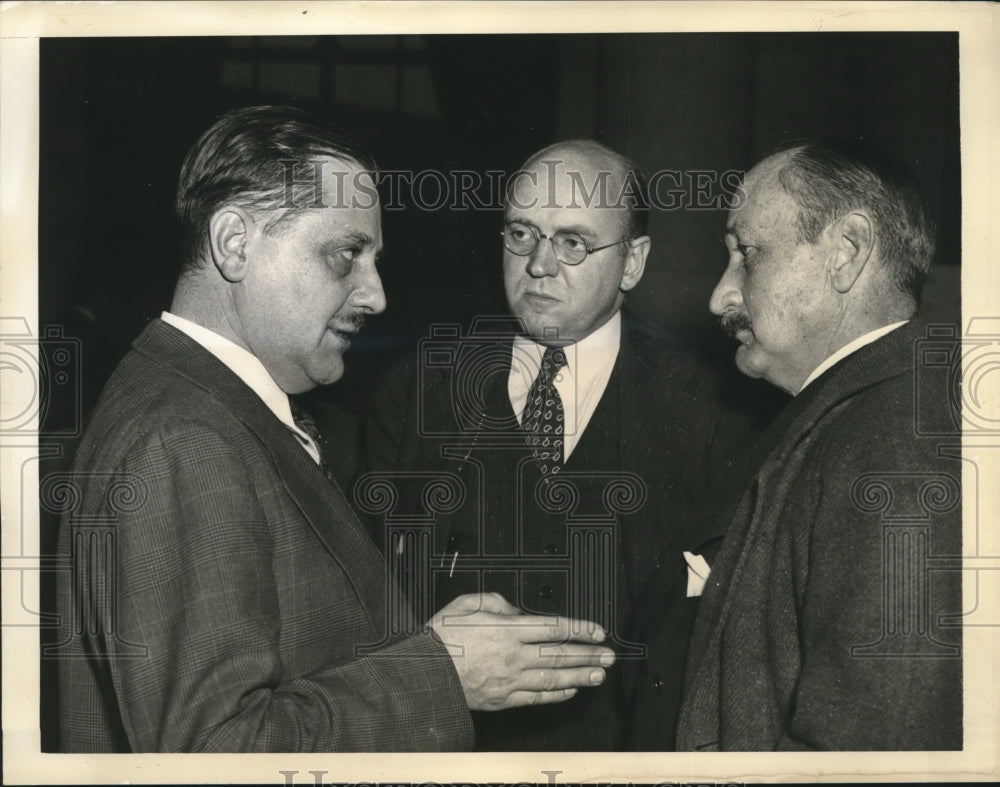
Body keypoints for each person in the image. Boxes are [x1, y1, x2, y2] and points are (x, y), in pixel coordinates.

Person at [51, 106, 616, 753]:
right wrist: (441, 672)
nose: (375, 294)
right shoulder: (182, 442)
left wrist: (427, 643)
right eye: (345, 254)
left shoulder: (212, 407)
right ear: (234, 243)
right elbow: (217, 752)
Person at [361, 140, 757, 750]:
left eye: (573, 242)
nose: (539, 265)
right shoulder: (416, 392)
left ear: (632, 263)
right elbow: (365, 608)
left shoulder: (712, 413)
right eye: (521, 234)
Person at [658, 142, 962, 750]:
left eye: (747, 254)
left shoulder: (894, 445)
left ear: (846, 253)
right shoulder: (864, 416)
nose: (720, 296)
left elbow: (879, 743)